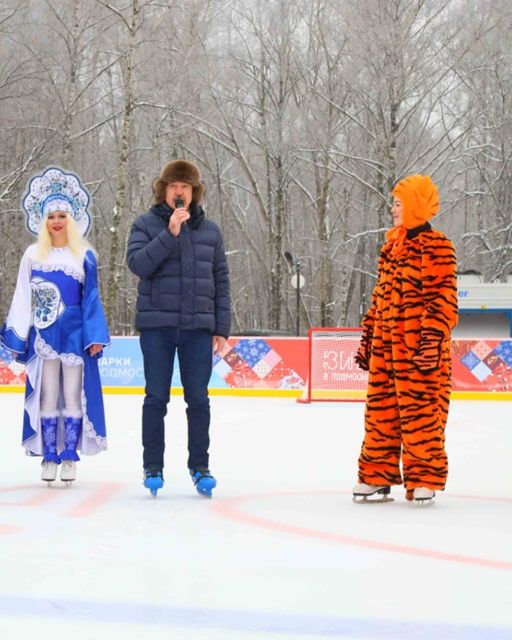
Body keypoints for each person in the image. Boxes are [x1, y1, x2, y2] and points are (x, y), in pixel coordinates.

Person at [126, 160, 230, 498]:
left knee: (198, 399)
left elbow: (221, 280)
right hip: (158, 326)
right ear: (164, 190)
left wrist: (221, 327)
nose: (179, 191)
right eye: (173, 185)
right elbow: (138, 265)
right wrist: (169, 233)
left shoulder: (210, 231)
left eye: (185, 186)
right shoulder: (144, 224)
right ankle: (152, 466)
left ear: (194, 192)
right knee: (156, 398)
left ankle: (200, 467)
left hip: (198, 328)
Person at [0, 166, 110, 485]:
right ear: (43, 220)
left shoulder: (85, 254)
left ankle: (70, 457)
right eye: (51, 216)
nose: (57, 221)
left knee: (73, 396)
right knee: (48, 395)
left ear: (71, 219)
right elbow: (23, 295)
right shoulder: (32, 254)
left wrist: (96, 336)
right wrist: (16, 336)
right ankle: (49, 455)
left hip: (75, 334)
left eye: (62, 215)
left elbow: (91, 299)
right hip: (44, 335)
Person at [352, 174, 458, 504]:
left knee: (422, 413)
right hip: (386, 346)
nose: (394, 209)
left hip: (419, 348)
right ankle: (376, 475)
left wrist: (429, 341)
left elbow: (443, 299)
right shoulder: (391, 246)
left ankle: (425, 477)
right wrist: (369, 338)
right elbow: (379, 296)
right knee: (380, 413)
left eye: (399, 203)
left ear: (415, 205)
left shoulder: (437, 246)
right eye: (394, 203)